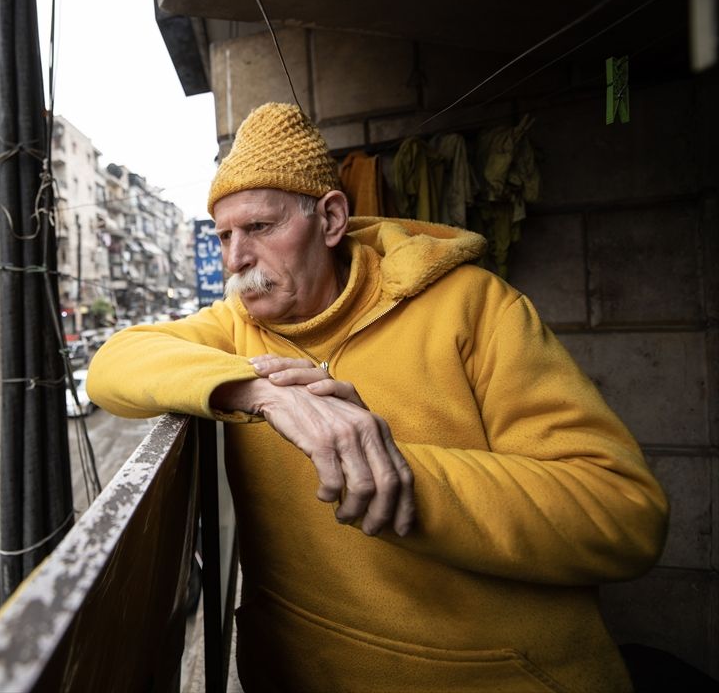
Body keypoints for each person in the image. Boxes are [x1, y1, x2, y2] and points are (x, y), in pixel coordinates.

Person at [87, 103, 668, 692]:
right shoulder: (237, 328)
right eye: (224, 236)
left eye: (260, 228)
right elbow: (112, 364)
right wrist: (264, 393)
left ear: (332, 219)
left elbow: (624, 516)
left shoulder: (474, 306)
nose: (235, 259)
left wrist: (395, 471)